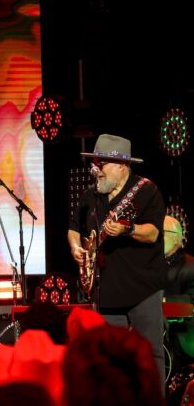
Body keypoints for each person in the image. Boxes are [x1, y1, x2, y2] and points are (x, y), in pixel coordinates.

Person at [67, 133, 167, 389]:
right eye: (95, 163)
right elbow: (74, 228)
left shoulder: (146, 191)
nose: (96, 169)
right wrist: (76, 248)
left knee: (149, 354)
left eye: (102, 163)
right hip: (107, 292)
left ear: (123, 165)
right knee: (110, 360)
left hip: (143, 288)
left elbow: (153, 233)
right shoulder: (90, 196)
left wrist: (128, 229)